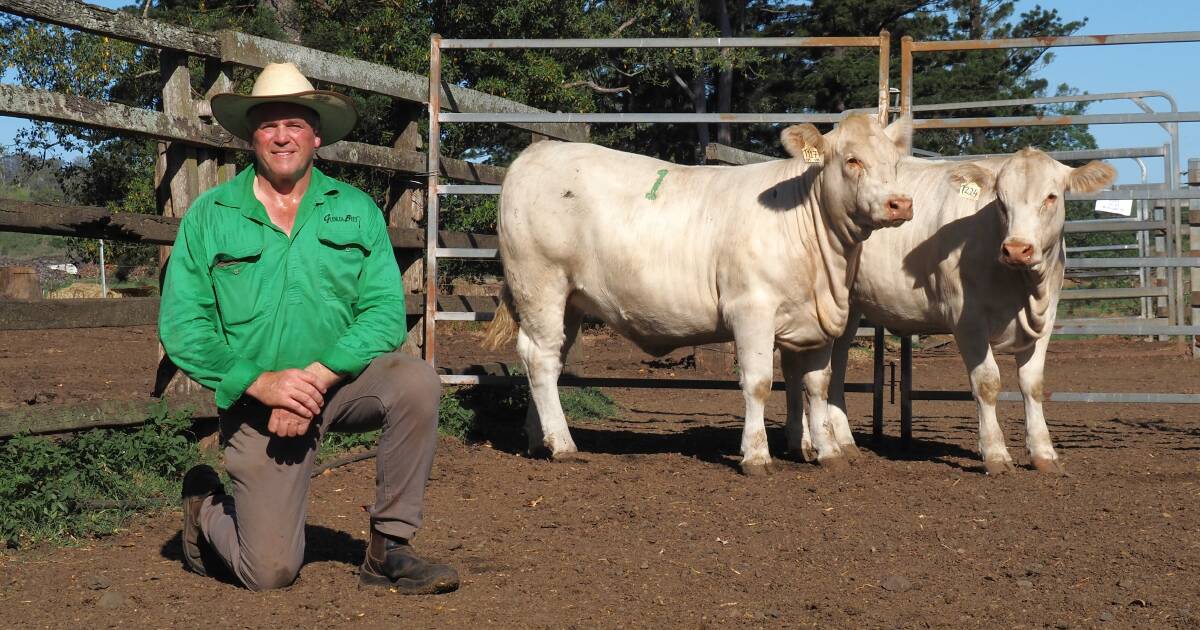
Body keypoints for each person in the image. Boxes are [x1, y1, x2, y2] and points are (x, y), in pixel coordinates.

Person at [159, 62, 458, 593]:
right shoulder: (210, 216)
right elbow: (184, 326)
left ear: (316, 134)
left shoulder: (355, 210)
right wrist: (265, 384)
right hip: (256, 404)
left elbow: (385, 313)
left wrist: (316, 379)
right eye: (268, 124)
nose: (281, 136)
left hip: (339, 387)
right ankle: (204, 510)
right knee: (269, 573)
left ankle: (389, 547)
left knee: (415, 381)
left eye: (294, 124)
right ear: (251, 135)